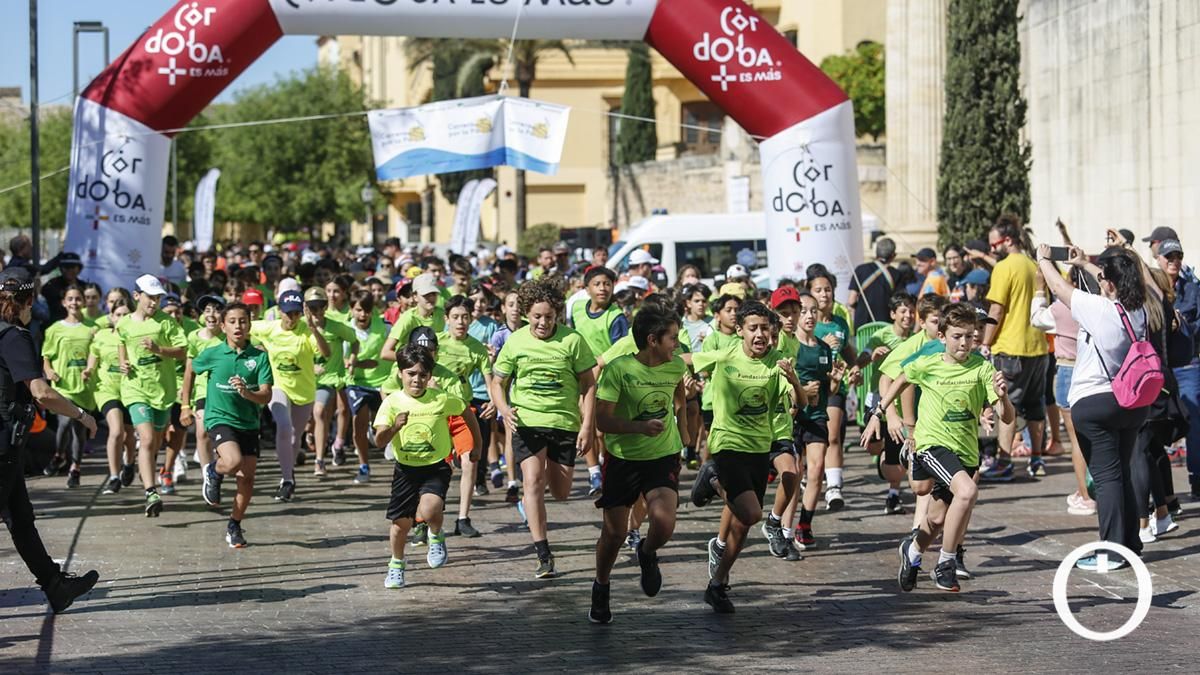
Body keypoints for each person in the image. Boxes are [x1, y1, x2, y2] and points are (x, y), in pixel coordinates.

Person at [865, 302, 1014, 592]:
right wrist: (879, 413)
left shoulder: (983, 368)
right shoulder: (928, 362)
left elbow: (1006, 417)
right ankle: (947, 562)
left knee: (935, 519)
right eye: (958, 336)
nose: (964, 342)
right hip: (932, 445)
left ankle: (912, 550)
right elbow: (900, 379)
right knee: (967, 491)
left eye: (969, 336)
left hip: (965, 452)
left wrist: (1003, 397)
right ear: (943, 337)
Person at [1037, 243, 1151, 570]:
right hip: (1132, 402)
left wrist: (1043, 260)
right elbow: (1115, 279)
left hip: (1095, 403)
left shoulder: (1097, 308)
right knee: (1121, 473)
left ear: (1109, 282)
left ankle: (1112, 551)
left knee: (1106, 478)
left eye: (1103, 276)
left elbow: (1058, 286)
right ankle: (1130, 544)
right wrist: (1084, 263)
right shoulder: (1139, 309)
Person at [688, 301, 799, 613]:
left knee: (741, 524)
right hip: (727, 445)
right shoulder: (725, 354)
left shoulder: (777, 360)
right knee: (751, 513)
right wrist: (656, 362)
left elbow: (797, 401)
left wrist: (794, 384)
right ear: (740, 331)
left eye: (765, 328)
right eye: (753, 328)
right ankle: (713, 478)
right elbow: (687, 359)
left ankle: (717, 585)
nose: (760, 334)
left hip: (758, 449)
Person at [0, 267, 100, 613]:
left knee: (20, 517)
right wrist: (82, 415)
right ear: (28, 301)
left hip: (8, 445)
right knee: (18, 516)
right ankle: (55, 585)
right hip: (3, 443)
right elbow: (41, 392)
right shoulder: (14, 335)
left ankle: (56, 586)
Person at [589, 306, 690, 624]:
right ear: (652, 340)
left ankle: (646, 552)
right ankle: (601, 585)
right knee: (614, 533)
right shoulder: (619, 370)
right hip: (623, 459)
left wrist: (684, 431)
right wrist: (638, 427)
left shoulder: (675, 366)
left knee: (664, 522)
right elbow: (602, 420)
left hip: (663, 455)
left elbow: (679, 397)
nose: (677, 343)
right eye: (672, 338)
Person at [491, 278, 597, 579]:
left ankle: (535, 498)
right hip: (527, 421)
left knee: (561, 492)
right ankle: (543, 553)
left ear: (557, 314)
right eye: (537, 316)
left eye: (549, 317)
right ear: (526, 313)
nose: (542, 322)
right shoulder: (515, 341)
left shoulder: (572, 340)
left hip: (563, 423)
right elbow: (498, 382)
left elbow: (589, 384)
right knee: (533, 481)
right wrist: (504, 409)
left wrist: (587, 425)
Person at [374, 345, 470, 590]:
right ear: (400, 374)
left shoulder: (440, 398)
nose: (416, 379)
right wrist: (395, 427)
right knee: (400, 526)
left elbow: (466, 412)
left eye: (422, 375)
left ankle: (435, 535)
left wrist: (476, 444)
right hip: (405, 470)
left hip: (436, 466)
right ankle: (396, 564)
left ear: (429, 376)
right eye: (411, 374)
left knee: (429, 509)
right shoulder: (392, 402)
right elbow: (379, 441)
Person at [183, 302, 274, 547]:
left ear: (250, 325)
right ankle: (213, 471)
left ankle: (234, 524)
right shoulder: (213, 353)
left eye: (242, 321)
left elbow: (266, 395)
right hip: (219, 418)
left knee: (247, 479)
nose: (238, 326)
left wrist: (248, 393)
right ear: (223, 326)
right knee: (233, 462)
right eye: (232, 322)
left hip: (249, 422)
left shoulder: (259, 356)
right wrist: (184, 405)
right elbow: (191, 368)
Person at [981, 215, 1049, 479]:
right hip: (1039, 347)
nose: (992, 250)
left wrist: (985, 342)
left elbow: (996, 309)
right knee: (1035, 406)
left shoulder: (1004, 267)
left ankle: (1005, 461)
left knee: (1006, 406)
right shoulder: (1034, 265)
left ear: (1007, 240)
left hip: (1010, 347)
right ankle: (1036, 459)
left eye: (994, 244)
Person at [250, 290, 330, 502]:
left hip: (304, 390)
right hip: (278, 386)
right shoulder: (269, 327)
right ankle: (287, 480)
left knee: (295, 437)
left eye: (296, 313)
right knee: (285, 428)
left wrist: (313, 328)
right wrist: (254, 348)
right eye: (288, 313)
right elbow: (240, 328)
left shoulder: (306, 330)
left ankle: (288, 472)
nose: (292, 318)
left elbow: (326, 353)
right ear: (279, 311)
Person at [118, 274, 188, 517]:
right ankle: (151, 492)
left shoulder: (165, 322)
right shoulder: (124, 323)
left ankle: (145, 468)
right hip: (135, 389)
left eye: (158, 298)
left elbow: (183, 351)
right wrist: (123, 362)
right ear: (137, 296)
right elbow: (121, 341)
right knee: (147, 439)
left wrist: (159, 350)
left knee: (156, 441)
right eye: (150, 297)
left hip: (162, 391)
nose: (154, 302)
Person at [570, 266, 629, 496]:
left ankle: (605, 462)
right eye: (597, 284)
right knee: (587, 422)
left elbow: (622, 349)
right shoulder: (576, 309)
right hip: (581, 376)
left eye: (607, 284)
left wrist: (600, 364)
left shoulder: (616, 316)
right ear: (587, 288)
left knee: (601, 431)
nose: (603, 288)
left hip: (609, 379)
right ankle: (594, 472)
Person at [1155, 239, 1200, 498]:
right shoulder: (1150, 287)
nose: (1174, 261)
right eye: (1169, 256)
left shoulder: (1192, 288)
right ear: (1158, 258)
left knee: (1193, 421)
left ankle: (1197, 478)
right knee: (1155, 426)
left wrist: (1183, 327)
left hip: (1187, 366)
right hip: (1157, 368)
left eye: (1178, 256)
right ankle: (1162, 494)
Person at [41, 285, 96, 488]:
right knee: (65, 422)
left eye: (78, 298)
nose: (74, 302)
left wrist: (89, 369)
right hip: (63, 385)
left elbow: (96, 353)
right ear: (64, 302)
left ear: (83, 302)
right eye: (70, 299)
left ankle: (75, 468)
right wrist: (48, 371)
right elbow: (46, 356)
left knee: (79, 429)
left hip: (84, 387)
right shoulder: (54, 329)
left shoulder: (92, 328)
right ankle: (59, 455)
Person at [88, 295, 137, 494]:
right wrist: (88, 371)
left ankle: (129, 463)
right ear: (111, 316)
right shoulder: (101, 335)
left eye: (126, 315)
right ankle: (114, 476)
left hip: (131, 389)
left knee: (129, 434)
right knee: (116, 431)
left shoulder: (136, 336)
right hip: (107, 389)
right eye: (118, 315)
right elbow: (93, 358)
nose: (121, 318)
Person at [847, 237, 897, 327]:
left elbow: (851, 300)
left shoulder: (860, 269)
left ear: (876, 253)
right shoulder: (896, 274)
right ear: (893, 255)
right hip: (885, 324)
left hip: (862, 325)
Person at [41, 252, 85, 324]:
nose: (69, 270)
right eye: (66, 267)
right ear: (61, 269)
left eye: (73, 267)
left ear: (79, 269)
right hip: (54, 325)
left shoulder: (84, 287)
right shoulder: (50, 286)